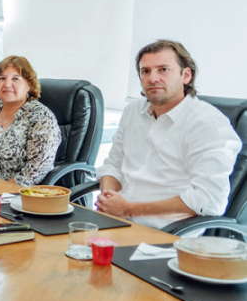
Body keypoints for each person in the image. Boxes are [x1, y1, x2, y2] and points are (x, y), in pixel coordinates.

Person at [96, 40, 240, 229]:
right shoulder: (133, 111)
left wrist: (129, 209)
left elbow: (209, 199)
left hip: (166, 237)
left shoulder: (207, 124)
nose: (152, 78)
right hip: (116, 222)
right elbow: (113, 165)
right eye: (145, 71)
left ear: (186, 75)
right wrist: (109, 199)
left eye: (163, 69)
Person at [0, 56, 61, 185]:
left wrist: (2, 191)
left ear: (29, 85)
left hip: (13, 194)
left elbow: (38, 168)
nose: (7, 84)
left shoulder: (41, 116)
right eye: (2, 78)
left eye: (16, 79)